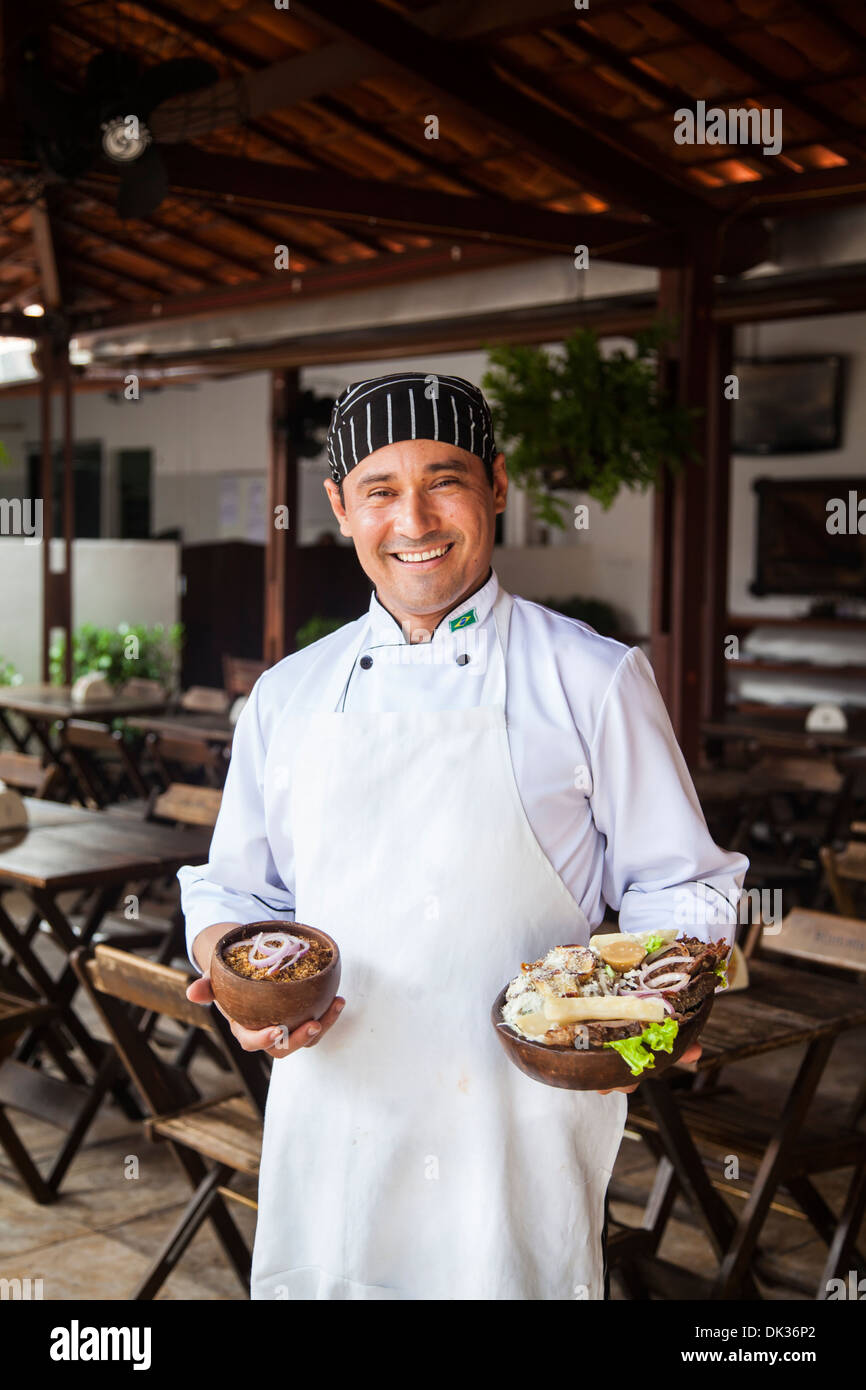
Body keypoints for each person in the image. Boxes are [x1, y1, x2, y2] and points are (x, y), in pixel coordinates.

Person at [179, 371, 748, 1301]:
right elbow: (235, 893)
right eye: (380, 490)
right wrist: (237, 984)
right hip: (336, 1103)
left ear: (496, 485)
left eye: (444, 480)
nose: (415, 519)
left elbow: (683, 882)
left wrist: (656, 1012)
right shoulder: (287, 696)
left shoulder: (592, 677)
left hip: (522, 1114)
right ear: (338, 506)